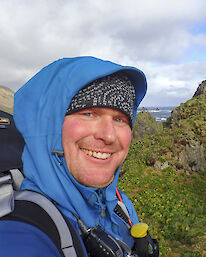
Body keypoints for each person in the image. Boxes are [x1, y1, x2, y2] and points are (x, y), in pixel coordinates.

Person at [0, 56, 153, 256]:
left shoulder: (118, 204)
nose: (108, 135)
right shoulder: (22, 234)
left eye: (120, 119)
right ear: (50, 126)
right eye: (88, 114)